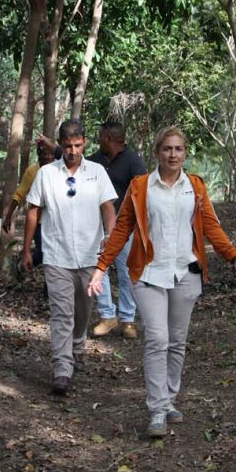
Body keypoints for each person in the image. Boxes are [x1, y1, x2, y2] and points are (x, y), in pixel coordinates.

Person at [89, 126, 236, 437]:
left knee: (176, 343)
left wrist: (234, 258)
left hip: (185, 273)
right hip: (149, 274)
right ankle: (157, 410)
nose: (173, 154)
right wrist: (101, 267)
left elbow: (210, 227)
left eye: (178, 149)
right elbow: (122, 230)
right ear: (158, 152)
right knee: (157, 340)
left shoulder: (194, 187)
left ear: (185, 152)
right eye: (167, 149)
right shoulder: (140, 187)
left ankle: (169, 400)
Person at [22, 119, 117, 395]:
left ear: (85, 142)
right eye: (67, 146)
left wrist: (110, 236)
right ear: (60, 146)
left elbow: (108, 206)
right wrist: (27, 249)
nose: (72, 151)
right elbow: (33, 211)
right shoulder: (46, 174)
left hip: (91, 257)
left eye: (77, 145)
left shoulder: (97, 172)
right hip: (56, 256)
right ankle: (62, 368)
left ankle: (77, 346)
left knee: (83, 311)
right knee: (61, 313)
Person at [88, 121, 147, 340]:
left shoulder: (132, 161)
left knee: (126, 274)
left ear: (109, 138)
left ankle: (128, 319)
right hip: (98, 226)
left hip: (126, 228)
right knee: (98, 271)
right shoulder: (94, 160)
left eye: (100, 136)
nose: (98, 139)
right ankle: (107, 316)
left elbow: (143, 190)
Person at [2, 140, 58, 267]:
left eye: (50, 154)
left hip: (57, 221)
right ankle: (26, 263)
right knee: (45, 253)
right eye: (44, 153)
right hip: (39, 222)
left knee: (55, 256)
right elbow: (19, 194)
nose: (48, 157)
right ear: (39, 154)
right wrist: (8, 216)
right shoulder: (32, 171)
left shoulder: (60, 170)